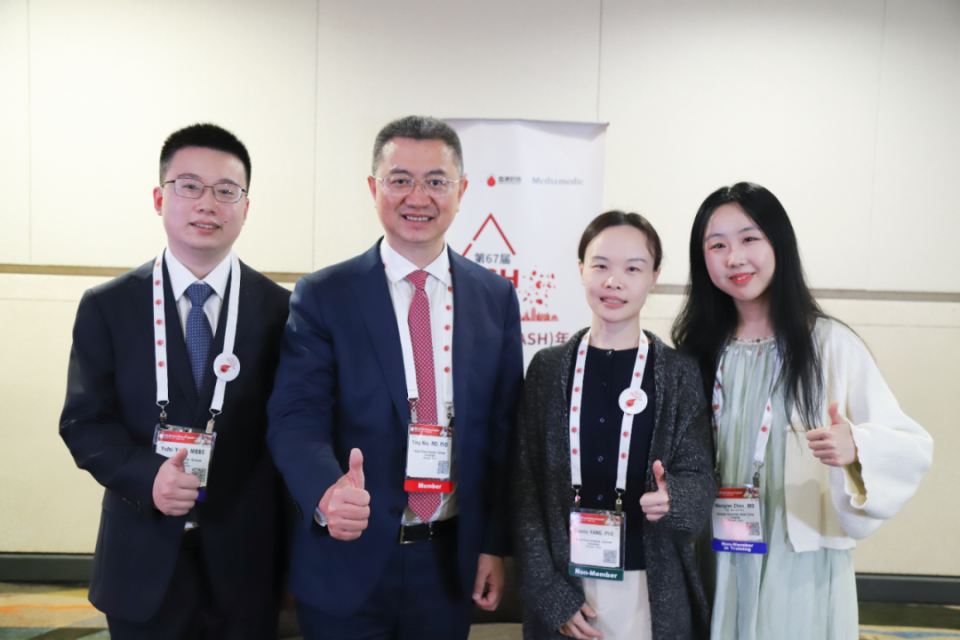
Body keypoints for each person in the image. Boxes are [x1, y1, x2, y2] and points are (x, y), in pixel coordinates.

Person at [266, 115, 524, 640]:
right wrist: (325, 490)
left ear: (461, 191)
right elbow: (296, 416)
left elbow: (503, 433)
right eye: (400, 179)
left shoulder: (494, 298)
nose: (418, 197)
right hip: (346, 556)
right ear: (373, 188)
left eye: (436, 181)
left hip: (448, 563)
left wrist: (492, 545)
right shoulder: (324, 295)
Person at [671, 182, 934, 639]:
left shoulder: (829, 344)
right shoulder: (696, 351)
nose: (735, 258)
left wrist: (858, 446)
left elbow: (913, 446)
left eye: (749, 238)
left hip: (797, 553)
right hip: (719, 544)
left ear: (779, 244)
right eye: (717, 245)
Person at [59, 124, 291, 639]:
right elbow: (84, 422)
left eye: (226, 190)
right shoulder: (109, 306)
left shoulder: (283, 311)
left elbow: (293, 425)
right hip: (140, 556)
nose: (207, 203)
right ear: (160, 198)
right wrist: (149, 476)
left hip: (246, 561)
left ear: (245, 208)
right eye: (189, 186)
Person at [513, 211, 716, 640]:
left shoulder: (679, 373)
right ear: (581, 269)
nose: (614, 281)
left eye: (633, 269)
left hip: (649, 588)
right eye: (601, 265)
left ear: (654, 276)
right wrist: (549, 594)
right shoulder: (548, 370)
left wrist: (675, 499)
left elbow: (699, 475)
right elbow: (524, 486)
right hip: (566, 586)